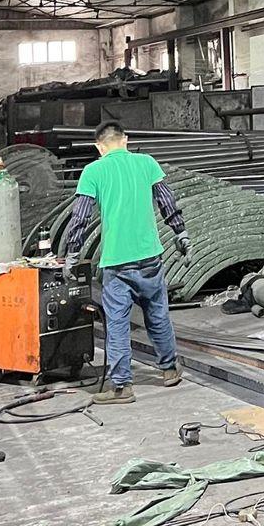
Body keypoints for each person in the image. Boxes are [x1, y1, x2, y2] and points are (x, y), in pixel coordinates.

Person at [63, 120, 189, 404]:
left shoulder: (93, 171)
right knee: (157, 314)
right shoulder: (147, 163)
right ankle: (170, 369)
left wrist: (72, 254)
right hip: (150, 256)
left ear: (99, 147)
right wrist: (181, 233)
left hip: (117, 262)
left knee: (118, 323)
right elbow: (167, 201)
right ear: (125, 139)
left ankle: (121, 386)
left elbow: (80, 217)